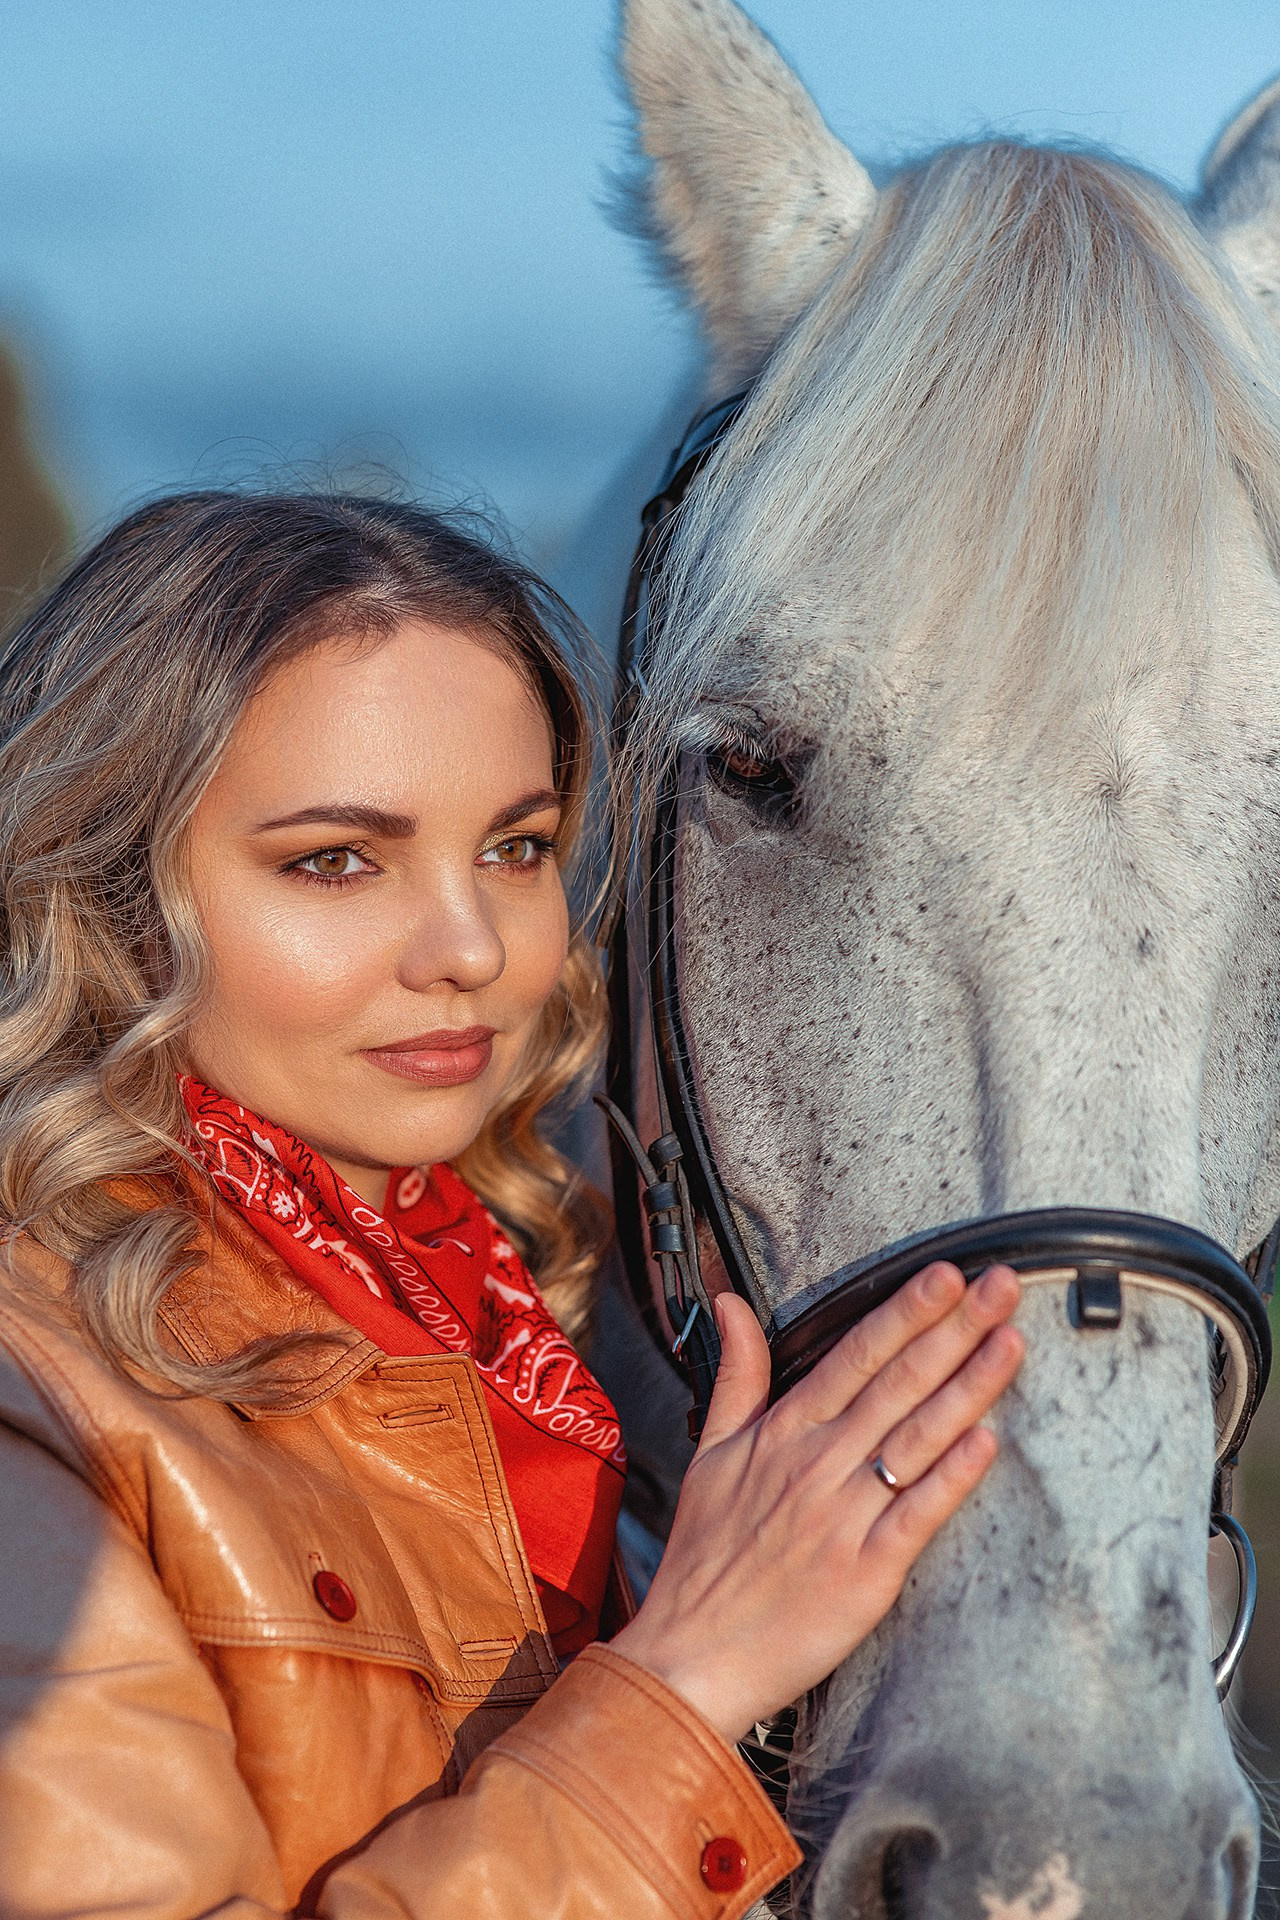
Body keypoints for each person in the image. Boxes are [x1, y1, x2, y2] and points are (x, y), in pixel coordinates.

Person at [0, 491, 1024, 1918]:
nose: (472, 947)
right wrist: (686, 1682)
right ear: (113, 894)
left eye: (518, 847)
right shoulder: (33, 1392)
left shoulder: (525, 1315)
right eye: (335, 861)